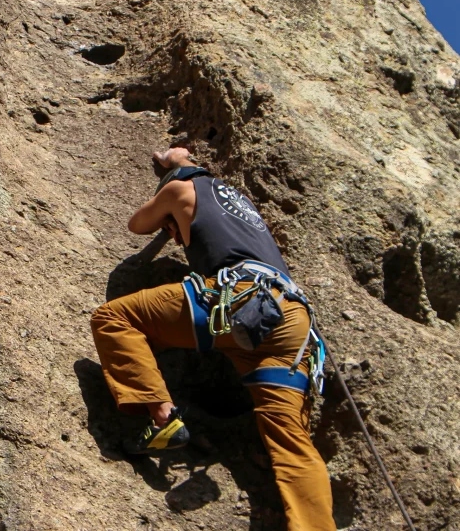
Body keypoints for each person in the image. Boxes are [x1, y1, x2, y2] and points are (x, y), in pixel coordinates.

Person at [90, 147, 335, 531]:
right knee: (293, 447)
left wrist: (169, 200)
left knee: (115, 318)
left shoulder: (181, 188)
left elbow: (137, 224)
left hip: (237, 298)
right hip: (291, 320)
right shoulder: (243, 204)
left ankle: (161, 418)